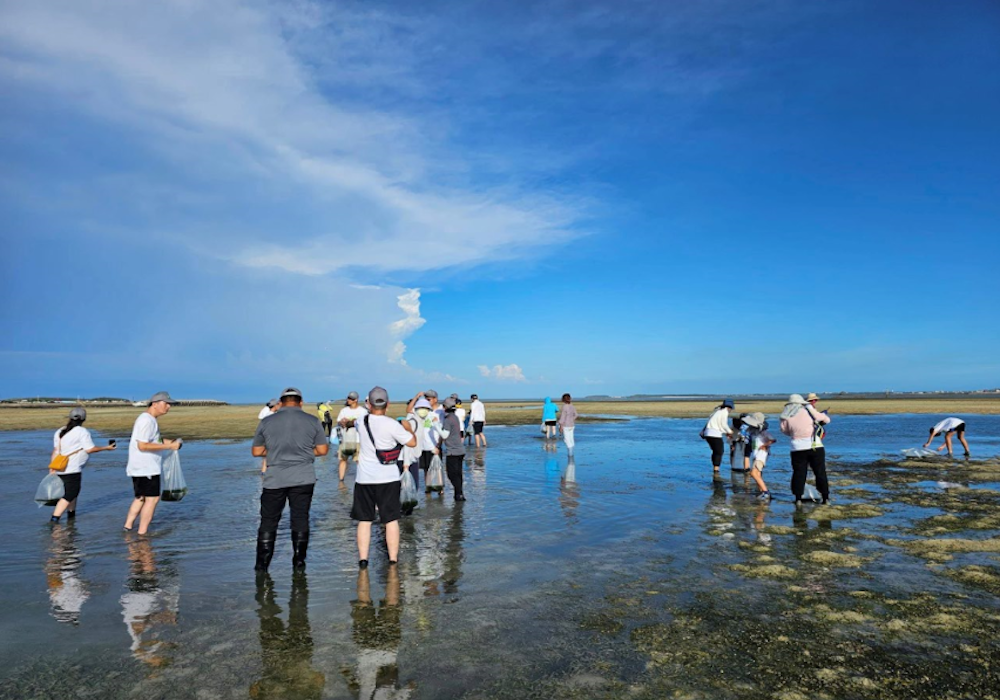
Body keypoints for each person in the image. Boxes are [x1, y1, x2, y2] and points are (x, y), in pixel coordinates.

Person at [251, 387, 329, 572]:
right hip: (303, 477)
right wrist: (303, 453)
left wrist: (275, 452)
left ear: (281, 403)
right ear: (301, 402)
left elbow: (256, 451)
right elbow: (322, 450)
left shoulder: (267, 421)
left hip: (275, 479)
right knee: (300, 518)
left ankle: (262, 567)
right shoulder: (312, 420)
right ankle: (299, 563)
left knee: (269, 520)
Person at [353, 387, 417, 569]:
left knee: (364, 520)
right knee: (391, 520)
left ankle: (363, 560)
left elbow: (356, 423)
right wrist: (408, 428)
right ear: (388, 404)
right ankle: (393, 559)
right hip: (388, 478)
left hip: (364, 478)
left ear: (369, 404)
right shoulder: (392, 425)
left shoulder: (361, 421)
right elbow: (412, 442)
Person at [124, 392, 182, 535]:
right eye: (166, 403)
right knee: (152, 499)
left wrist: (170, 442)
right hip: (146, 467)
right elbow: (142, 445)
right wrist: (169, 446)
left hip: (140, 467)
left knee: (140, 498)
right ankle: (142, 533)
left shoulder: (148, 419)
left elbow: (153, 440)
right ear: (155, 404)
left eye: (170, 404)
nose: (168, 407)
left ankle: (127, 528)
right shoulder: (147, 420)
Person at [48, 407, 117, 523]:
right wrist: (106, 448)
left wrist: (52, 467)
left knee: (72, 494)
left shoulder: (60, 431)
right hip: (72, 469)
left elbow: (55, 450)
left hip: (59, 467)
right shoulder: (82, 431)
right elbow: (90, 449)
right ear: (84, 419)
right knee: (70, 494)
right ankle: (54, 519)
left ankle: (71, 518)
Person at [780, 393, 832, 505]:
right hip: (815, 446)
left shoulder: (785, 415)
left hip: (797, 448)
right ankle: (825, 497)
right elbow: (826, 420)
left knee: (799, 473)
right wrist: (822, 416)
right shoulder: (808, 410)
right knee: (820, 472)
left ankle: (798, 498)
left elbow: (785, 431)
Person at [412, 397, 446, 492]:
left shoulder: (435, 416)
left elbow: (441, 432)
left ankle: (440, 488)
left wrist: (438, 445)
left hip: (434, 446)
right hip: (422, 447)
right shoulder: (417, 416)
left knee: (437, 468)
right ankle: (428, 487)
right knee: (425, 468)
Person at [742, 413, 776, 500]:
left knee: (753, 473)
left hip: (761, 455)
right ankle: (761, 491)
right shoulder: (753, 432)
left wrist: (765, 445)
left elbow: (772, 440)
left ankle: (766, 492)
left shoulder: (763, 432)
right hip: (756, 455)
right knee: (758, 474)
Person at [337, 392, 368, 481]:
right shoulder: (344, 410)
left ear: (356, 400)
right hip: (345, 439)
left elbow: (364, 424)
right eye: (348, 398)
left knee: (359, 460)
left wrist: (352, 422)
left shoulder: (363, 411)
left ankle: (362, 479)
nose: (348, 400)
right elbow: (339, 421)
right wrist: (342, 422)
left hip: (358, 440)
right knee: (342, 460)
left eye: (351, 399)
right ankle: (341, 480)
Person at [441, 397, 467, 501]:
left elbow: (444, 435)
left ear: (445, 407)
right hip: (460, 450)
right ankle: (459, 494)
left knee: (451, 474)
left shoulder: (448, 420)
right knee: (458, 474)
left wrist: (436, 425)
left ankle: (459, 493)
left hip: (453, 452)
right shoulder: (455, 417)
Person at [701, 399, 734, 474]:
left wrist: (726, 432)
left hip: (708, 433)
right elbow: (723, 424)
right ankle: (716, 470)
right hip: (714, 434)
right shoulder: (724, 411)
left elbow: (718, 425)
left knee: (715, 451)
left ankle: (715, 468)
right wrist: (730, 431)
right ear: (729, 407)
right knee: (719, 451)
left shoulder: (717, 411)